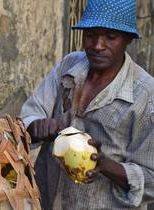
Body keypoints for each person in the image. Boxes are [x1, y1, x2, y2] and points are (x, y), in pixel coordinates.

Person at [20, 0, 154, 209]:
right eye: (90, 35)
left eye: (110, 37)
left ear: (128, 39)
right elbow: (30, 114)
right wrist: (36, 126)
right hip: (46, 200)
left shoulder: (146, 94)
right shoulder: (69, 65)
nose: (97, 45)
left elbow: (151, 179)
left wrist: (104, 164)